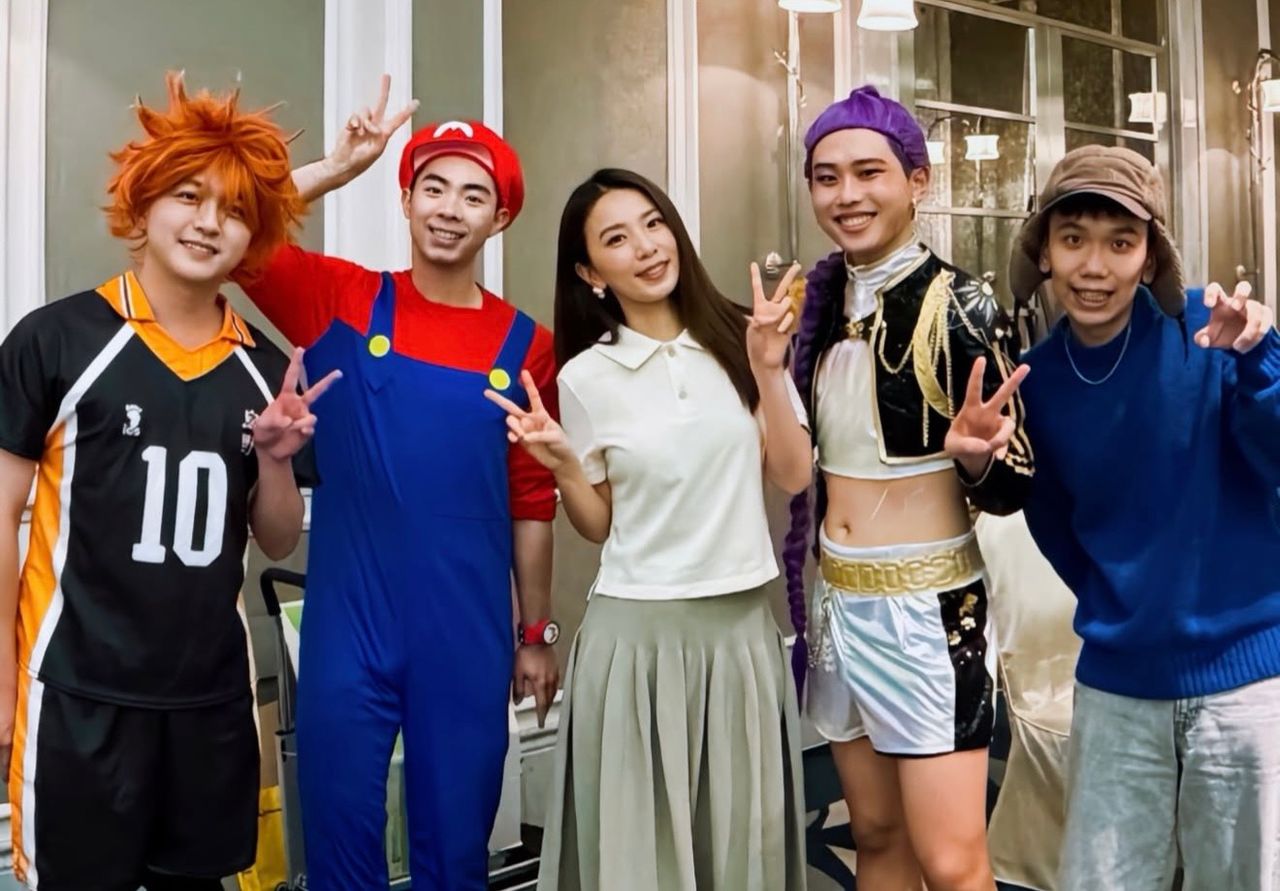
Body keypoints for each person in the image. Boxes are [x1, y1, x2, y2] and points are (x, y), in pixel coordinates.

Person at [0, 73, 331, 891]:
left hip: (209, 702)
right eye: (189, 195)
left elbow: (276, 539)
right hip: (75, 691)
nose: (209, 221)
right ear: (144, 201)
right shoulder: (57, 339)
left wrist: (277, 457)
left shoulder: (266, 369)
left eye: (235, 210)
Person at [238, 78, 561, 890]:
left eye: (474, 195)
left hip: (466, 633)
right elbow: (238, 231)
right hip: (348, 627)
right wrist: (337, 168)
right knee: (340, 849)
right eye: (434, 187)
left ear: (501, 218)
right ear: (407, 200)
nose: (450, 209)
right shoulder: (341, 300)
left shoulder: (527, 345)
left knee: (455, 854)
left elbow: (532, 501)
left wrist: (535, 633)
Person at [486, 168, 812, 891]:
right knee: (642, 865)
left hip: (741, 639)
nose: (645, 246)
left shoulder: (742, 336)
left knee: (740, 856)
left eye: (653, 223)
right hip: (633, 643)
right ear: (589, 272)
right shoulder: (585, 377)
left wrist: (767, 369)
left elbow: (792, 474)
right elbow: (599, 524)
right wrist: (565, 466)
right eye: (616, 239)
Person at [1002, 144, 1280, 891]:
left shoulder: (1214, 332)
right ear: (1045, 251)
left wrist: (1258, 361)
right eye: (1073, 239)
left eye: (1120, 243)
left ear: (1150, 255)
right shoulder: (1038, 381)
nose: (1095, 267)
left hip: (1247, 679)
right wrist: (1118, 602)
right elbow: (1055, 523)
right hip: (1118, 686)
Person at [784, 85, 1032, 891]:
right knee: (876, 835)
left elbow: (1017, 482)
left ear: (917, 181)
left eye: (869, 172)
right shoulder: (814, 307)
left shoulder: (963, 304)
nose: (846, 195)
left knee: (952, 861)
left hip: (929, 610)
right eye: (827, 177)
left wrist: (976, 459)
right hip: (838, 602)